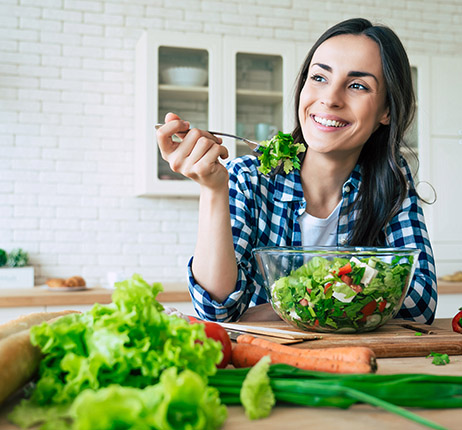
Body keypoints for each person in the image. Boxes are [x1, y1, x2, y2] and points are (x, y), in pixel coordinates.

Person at [156, 18, 437, 325]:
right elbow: (218, 310)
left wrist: (280, 307)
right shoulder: (248, 178)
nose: (330, 98)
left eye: (357, 85)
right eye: (319, 78)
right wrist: (212, 190)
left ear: (386, 111)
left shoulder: (392, 180)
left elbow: (419, 302)